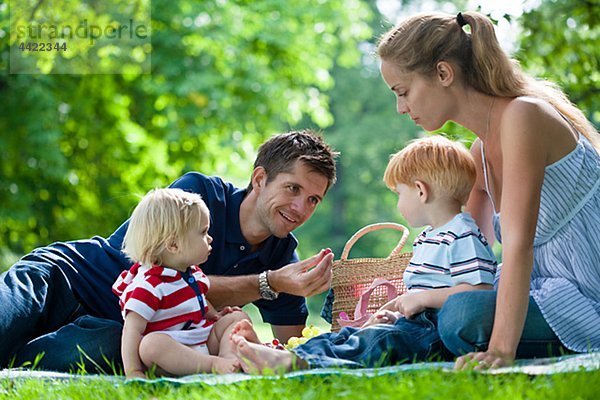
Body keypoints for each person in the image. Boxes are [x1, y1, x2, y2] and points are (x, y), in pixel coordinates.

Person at [0, 130, 337, 373]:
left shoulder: (283, 261)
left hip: (112, 330)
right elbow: (148, 271)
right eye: (293, 188)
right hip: (63, 279)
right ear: (260, 179)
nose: (300, 208)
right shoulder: (197, 197)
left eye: (313, 200)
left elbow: (288, 353)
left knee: (125, 350)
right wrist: (268, 283)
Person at [375, 11, 600, 370]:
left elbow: (518, 246)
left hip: (586, 297)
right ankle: (317, 355)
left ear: (444, 73)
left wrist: (500, 351)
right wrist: (412, 298)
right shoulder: (478, 153)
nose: (401, 108)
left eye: (403, 92)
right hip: (540, 291)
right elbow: (466, 260)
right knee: (443, 310)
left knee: (460, 317)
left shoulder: (523, 116)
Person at [230, 136, 497, 372]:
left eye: (399, 193)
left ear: (420, 191)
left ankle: (301, 365)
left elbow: (479, 294)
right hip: (416, 326)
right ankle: (284, 354)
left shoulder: (462, 234)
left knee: (377, 343)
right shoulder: (431, 236)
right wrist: (395, 311)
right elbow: (426, 294)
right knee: (348, 335)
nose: (398, 202)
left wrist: (422, 299)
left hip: (434, 334)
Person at [114, 188, 253, 377]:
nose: (210, 238)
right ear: (173, 245)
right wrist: (134, 371)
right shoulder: (148, 285)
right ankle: (213, 364)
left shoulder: (192, 273)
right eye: (203, 232)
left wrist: (217, 316)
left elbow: (199, 300)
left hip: (200, 340)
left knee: (238, 318)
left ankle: (228, 360)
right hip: (173, 352)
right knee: (150, 345)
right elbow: (131, 330)